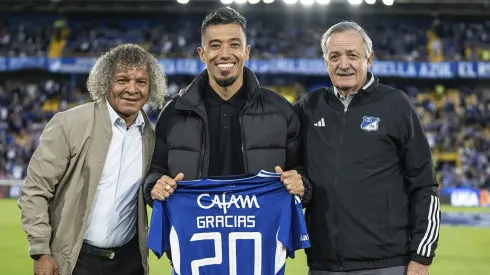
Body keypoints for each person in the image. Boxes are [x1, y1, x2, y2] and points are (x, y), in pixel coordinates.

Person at [142, 6, 312, 266]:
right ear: (202, 53)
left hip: (258, 258)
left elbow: (302, 174)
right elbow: (155, 172)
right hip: (196, 256)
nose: (225, 54)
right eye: (215, 45)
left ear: (247, 51)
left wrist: (302, 186)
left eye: (234, 44)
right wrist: (154, 186)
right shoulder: (174, 114)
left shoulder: (281, 112)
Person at [294, 21, 441, 275]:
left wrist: (422, 257)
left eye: (352, 55)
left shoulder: (395, 105)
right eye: (334, 56)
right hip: (323, 265)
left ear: (369, 58)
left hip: (387, 264)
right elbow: (296, 173)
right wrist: (302, 187)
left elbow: (424, 185)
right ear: (325, 62)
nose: (343, 64)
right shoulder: (309, 107)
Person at [17, 43, 167, 275]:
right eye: (122, 80)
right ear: (106, 82)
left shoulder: (152, 137)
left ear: (151, 88)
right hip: (75, 260)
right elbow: (36, 190)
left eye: (141, 82)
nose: (132, 89)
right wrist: (41, 251)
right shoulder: (69, 124)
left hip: (128, 262)